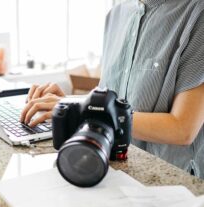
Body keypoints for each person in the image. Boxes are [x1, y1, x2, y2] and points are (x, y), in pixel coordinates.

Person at [20, 0, 204, 178]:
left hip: (169, 184)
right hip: (113, 169)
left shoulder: (198, 14)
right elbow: (110, 96)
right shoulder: (116, 15)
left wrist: (81, 110)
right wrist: (74, 105)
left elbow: (183, 129)